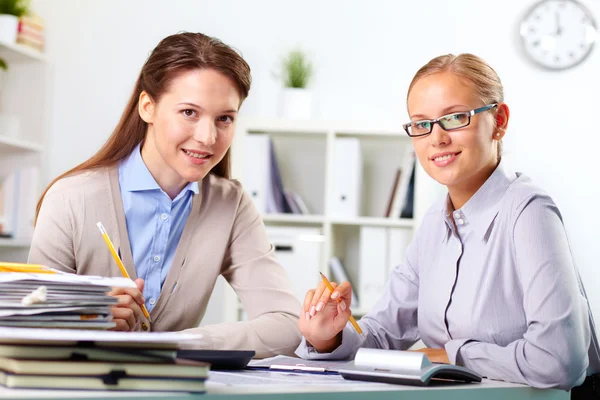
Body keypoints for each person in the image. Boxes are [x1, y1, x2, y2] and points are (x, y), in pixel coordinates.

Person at [296, 53, 600, 395]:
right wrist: (328, 337)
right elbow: (383, 334)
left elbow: (559, 361)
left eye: (455, 118)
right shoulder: (434, 225)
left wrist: (454, 354)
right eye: (421, 124)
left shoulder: (528, 210)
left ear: (499, 120)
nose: (436, 139)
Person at [29, 32, 301, 358]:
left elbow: (287, 325)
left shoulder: (230, 206)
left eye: (224, 118)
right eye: (189, 112)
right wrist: (89, 317)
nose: (207, 136)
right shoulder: (71, 199)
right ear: (148, 107)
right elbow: (29, 324)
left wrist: (174, 345)